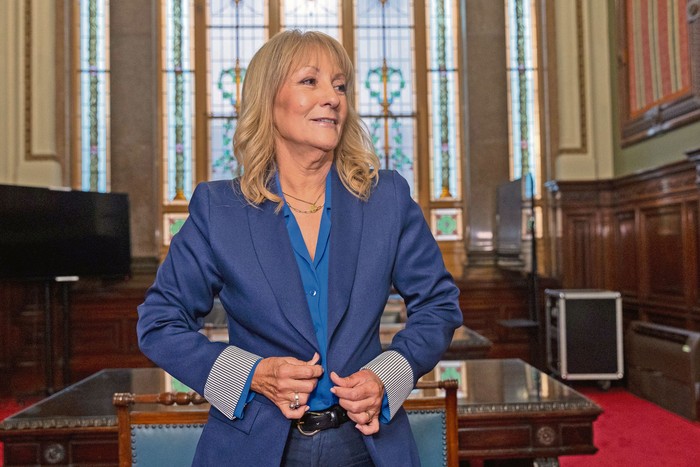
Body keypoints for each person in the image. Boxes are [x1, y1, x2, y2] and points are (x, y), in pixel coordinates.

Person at [137, 29, 462, 466]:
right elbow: (159, 323)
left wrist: (389, 375)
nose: (332, 97)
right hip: (254, 446)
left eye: (340, 85)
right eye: (311, 81)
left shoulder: (387, 199)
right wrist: (250, 375)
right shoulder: (219, 209)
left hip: (367, 444)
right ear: (268, 99)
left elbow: (439, 304)